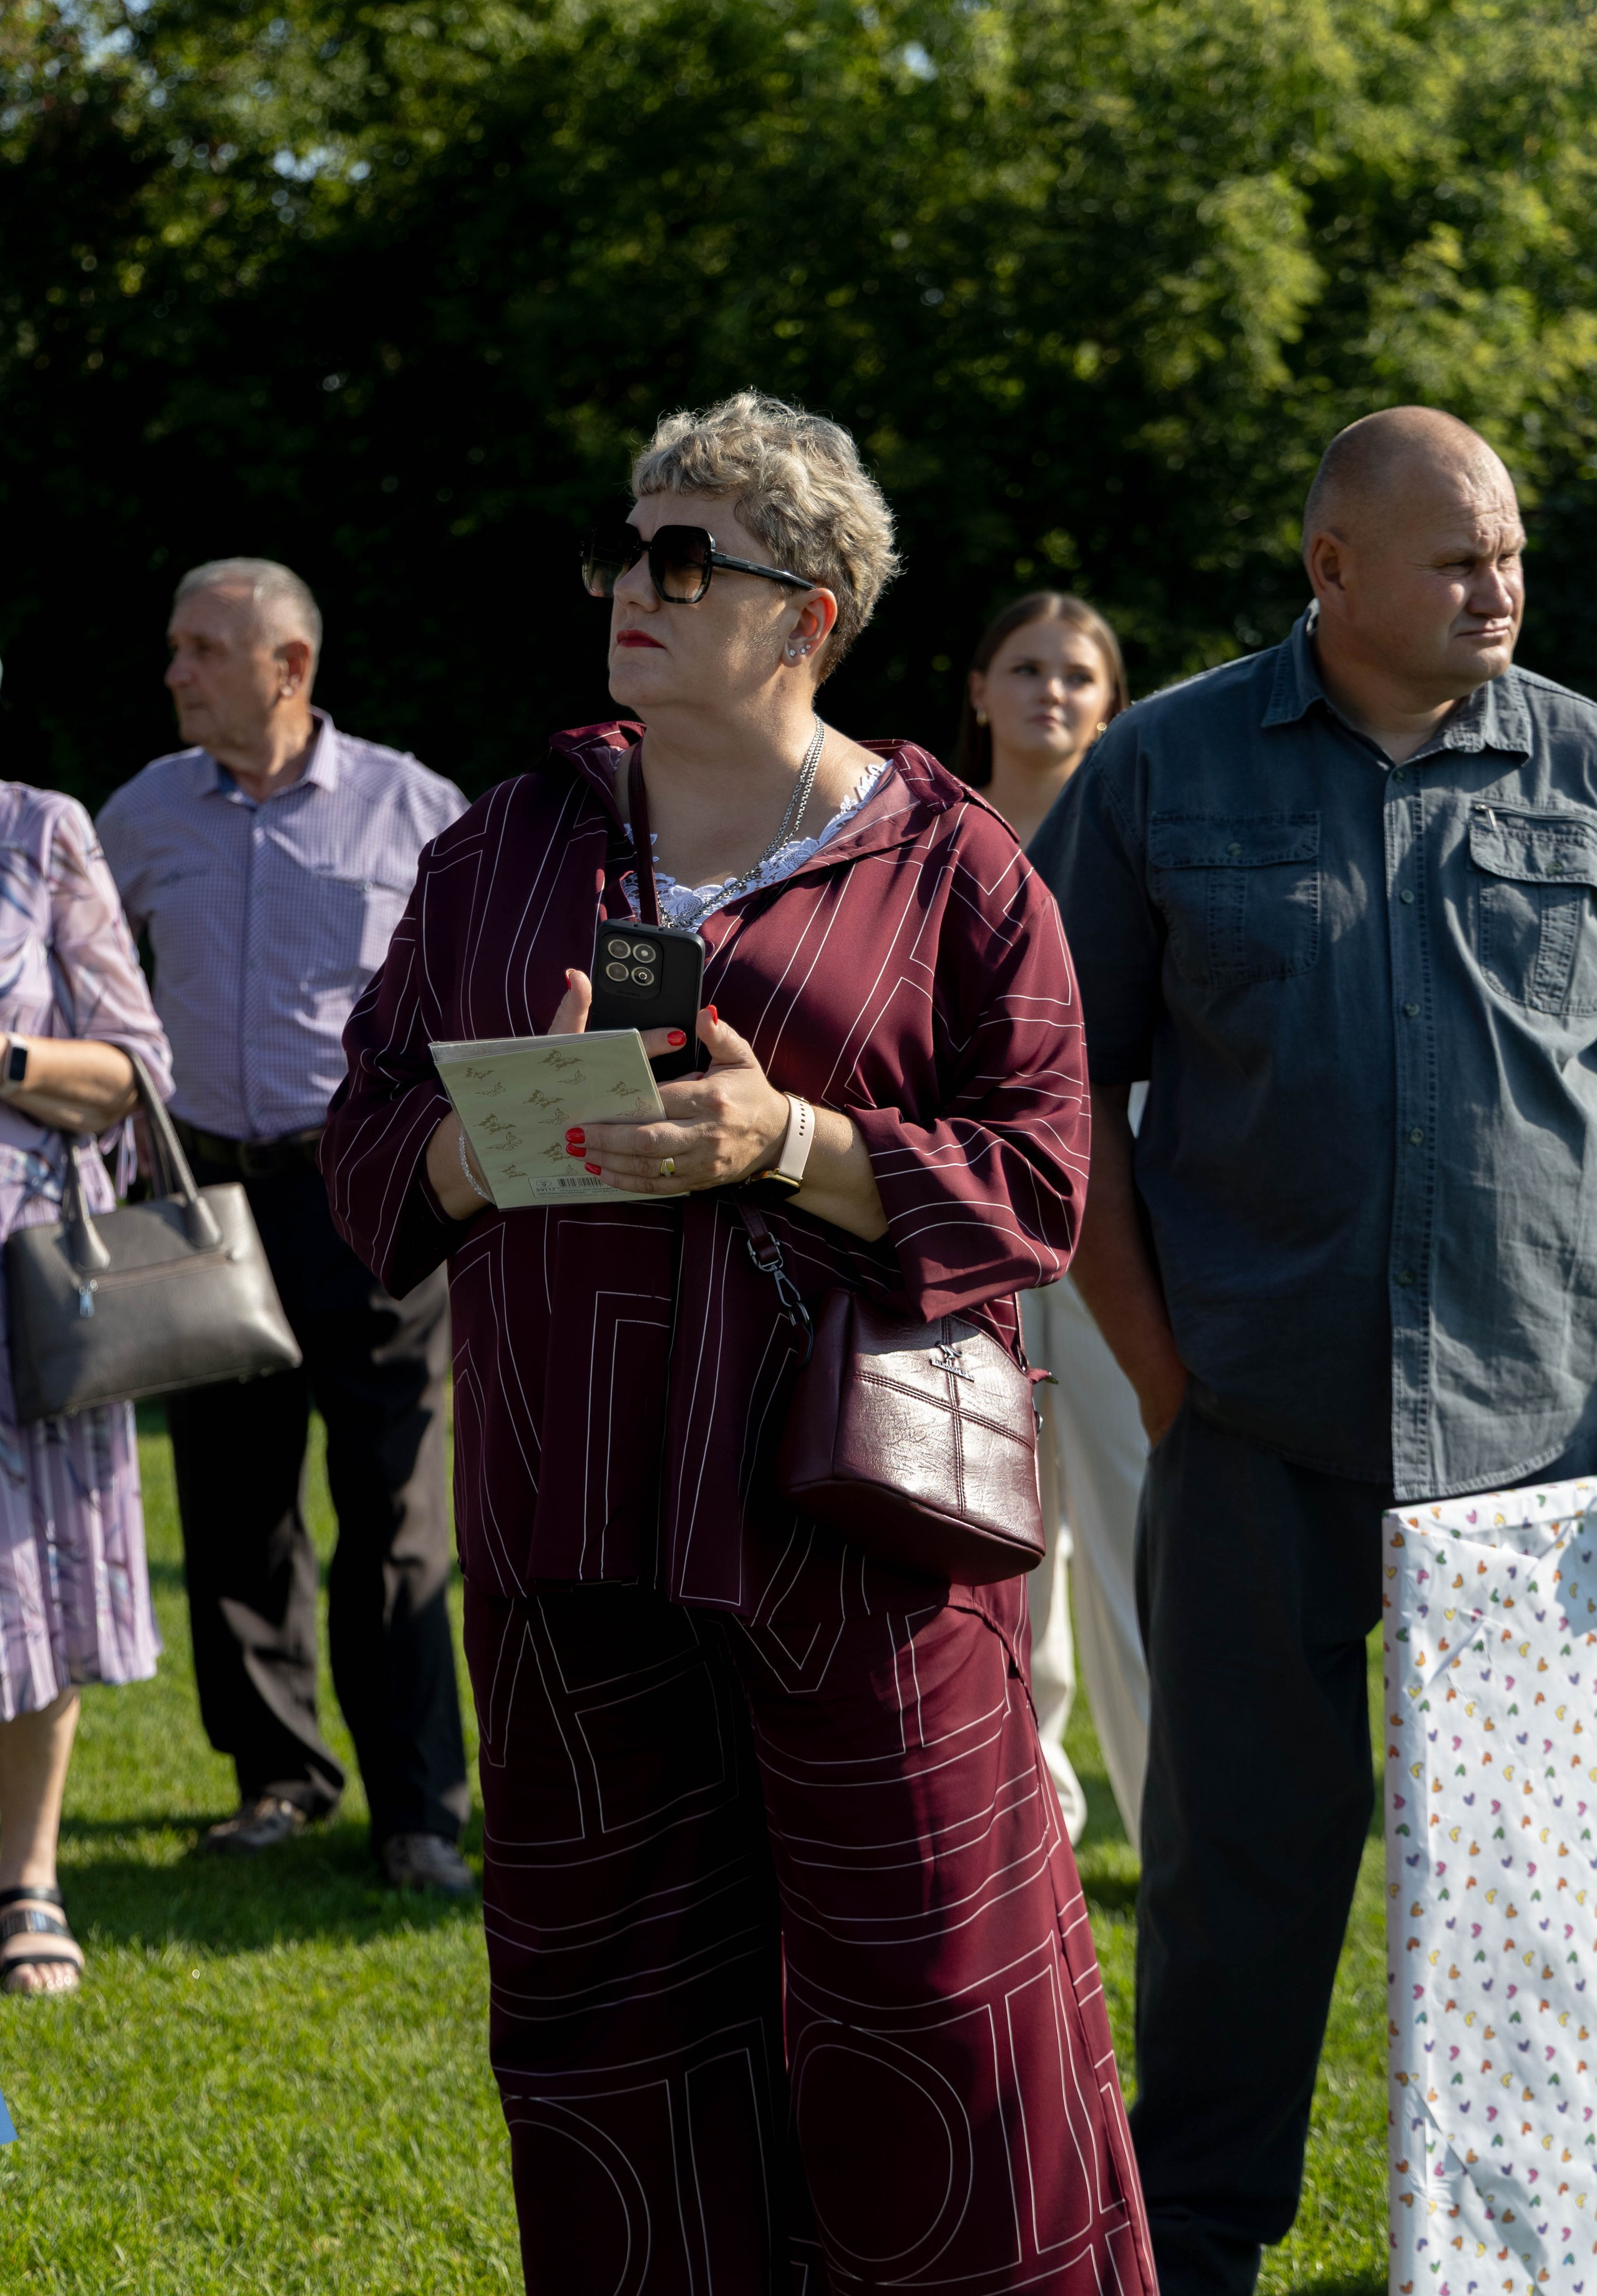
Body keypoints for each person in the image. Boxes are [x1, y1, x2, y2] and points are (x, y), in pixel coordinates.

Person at [321, 392, 1156, 2294]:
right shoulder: (504, 847)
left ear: (811, 614)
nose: (635, 581)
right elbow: (364, 1136)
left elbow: (1039, 1180)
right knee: (613, 2039)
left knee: (936, 2021)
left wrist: (792, 1142)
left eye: (686, 557)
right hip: (575, 1530)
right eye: (625, 546)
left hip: (858, 1538)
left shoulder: (954, 866)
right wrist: (480, 1146)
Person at [1032, 404, 1597, 2296]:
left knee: (1532, 1891)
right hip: (1255, 1421)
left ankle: (1528, 2247)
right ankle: (1195, 2240)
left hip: (1540, 1444)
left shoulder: (1584, 764)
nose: (1498, 589)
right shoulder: (1163, 765)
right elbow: (1062, 1096)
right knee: (1234, 1873)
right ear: (1330, 568)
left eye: (1509, 553)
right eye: (1456, 560)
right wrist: (1164, 1377)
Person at [97, 558, 473, 1892]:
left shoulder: (415, 809)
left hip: (366, 1190)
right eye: (175, 646)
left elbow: (472, 998)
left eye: (204, 649)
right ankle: (277, 1778)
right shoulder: (139, 813)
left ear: (290, 667)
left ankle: (419, 1809)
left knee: (394, 1504)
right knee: (233, 1498)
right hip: (203, 1197)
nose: (177, 672)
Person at [959, 592, 1150, 1845]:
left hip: (1121, 1225)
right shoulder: (930, 836)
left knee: (1139, 1538)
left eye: (1077, 675)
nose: (1051, 693)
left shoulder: (1142, 840)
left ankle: (1168, 1821)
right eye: (1025, 669)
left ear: (1110, 706)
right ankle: (1029, 1825)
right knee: (998, 1541)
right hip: (975, 1218)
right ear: (978, 689)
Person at [0, 781, 173, 1994]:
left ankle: (27, 1879)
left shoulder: (39, 831)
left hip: (26, 1289)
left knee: (29, 1576)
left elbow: (132, 1070)